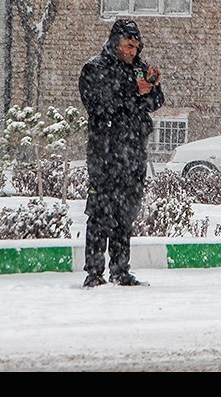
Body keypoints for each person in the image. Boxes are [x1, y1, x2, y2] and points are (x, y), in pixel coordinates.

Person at [78, 18, 164, 287]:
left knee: (125, 214)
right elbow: (100, 105)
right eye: (128, 46)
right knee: (101, 213)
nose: (132, 52)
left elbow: (156, 101)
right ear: (115, 42)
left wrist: (151, 86)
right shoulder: (94, 68)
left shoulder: (139, 68)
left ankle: (120, 269)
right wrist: (134, 92)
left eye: (136, 47)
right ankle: (94, 272)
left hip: (133, 152)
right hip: (105, 153)